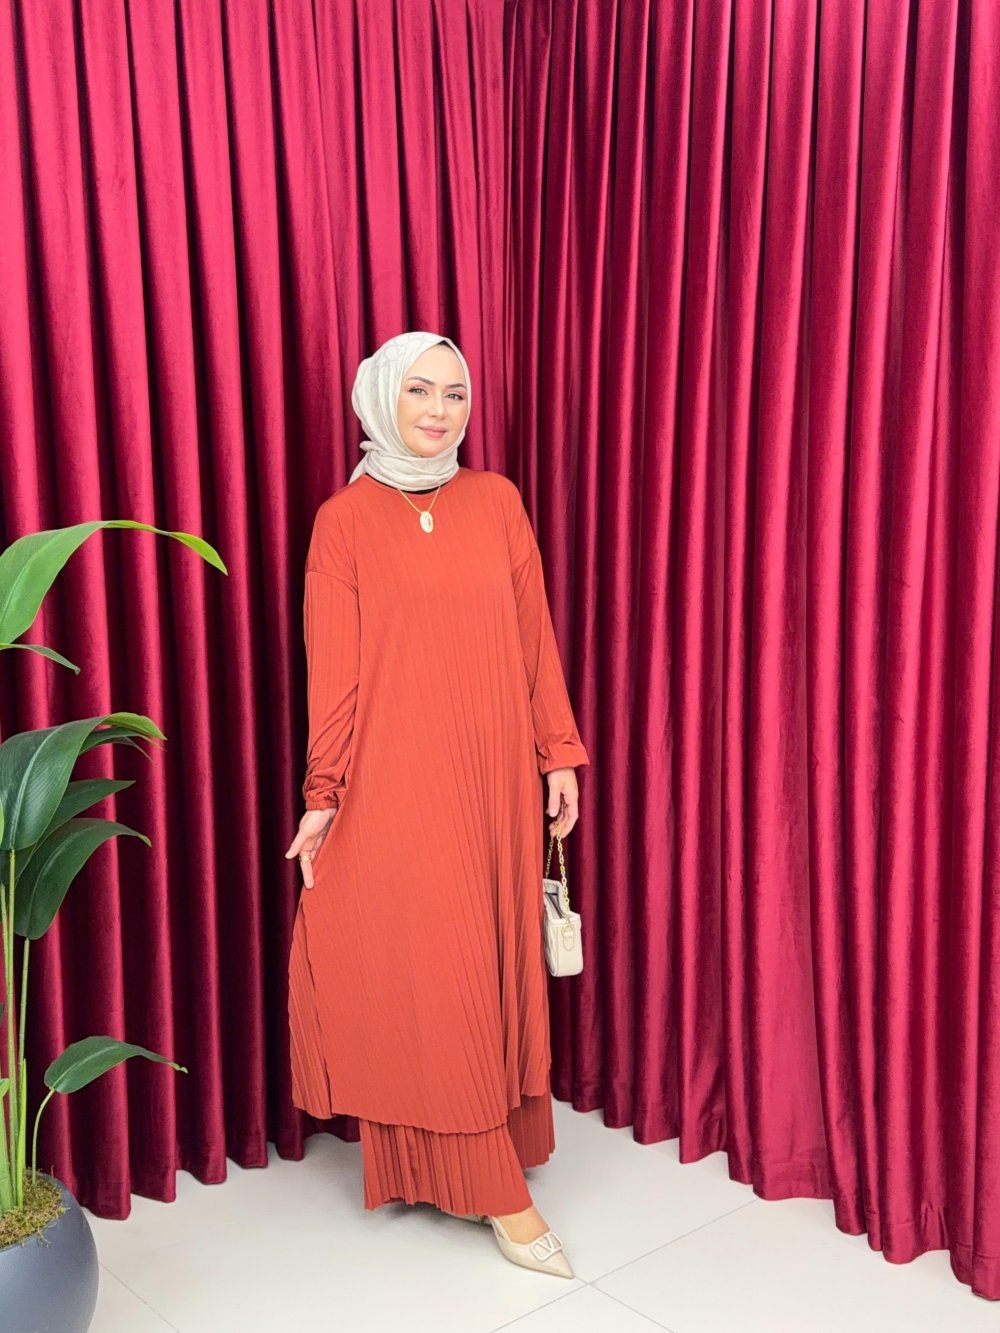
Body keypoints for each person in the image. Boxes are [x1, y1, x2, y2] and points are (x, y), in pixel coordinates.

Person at [285, 330, 589, 1278]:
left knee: (488, 961)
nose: (440, 410)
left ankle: (462, 1160)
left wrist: (558, 754)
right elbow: (334, 673)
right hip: (396, 781)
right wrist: (324, 794)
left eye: (455, 394)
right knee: (433, 965)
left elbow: (533, 635)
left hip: (495, 777)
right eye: (420, 390)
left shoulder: (497, 501)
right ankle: (497, 1190)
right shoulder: (344, 521)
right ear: (381, 397)